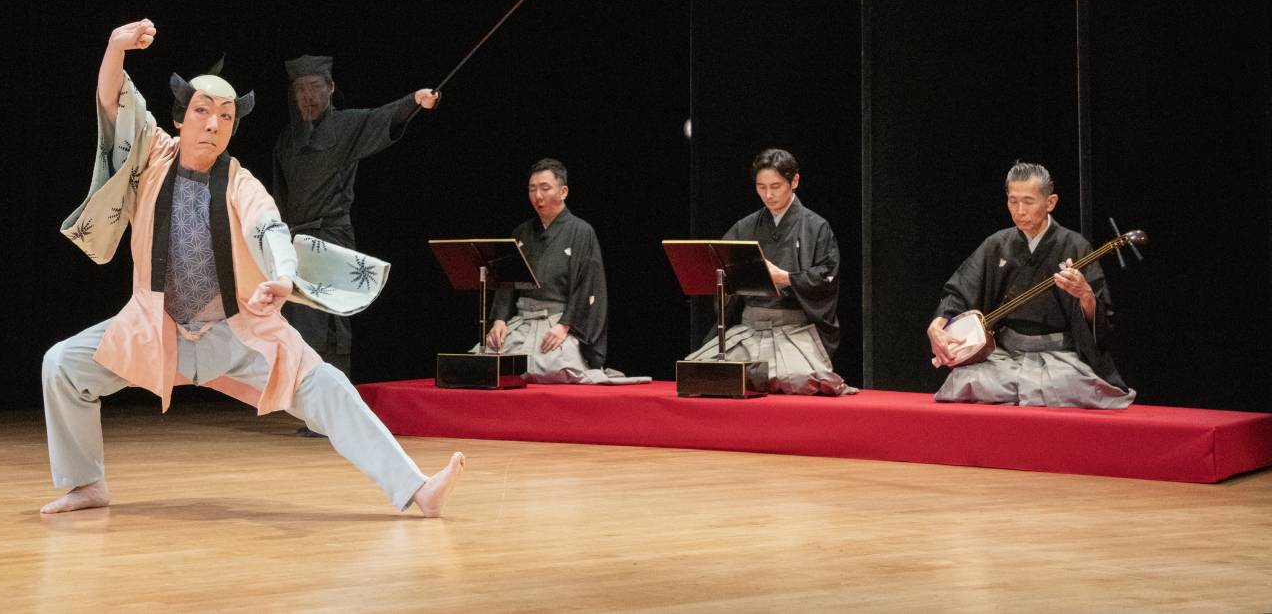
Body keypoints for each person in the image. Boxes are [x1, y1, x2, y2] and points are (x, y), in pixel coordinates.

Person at [42, 19, 463, 516]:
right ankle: (85, 483)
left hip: (236, 335)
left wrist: (283, 275)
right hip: (158, 330)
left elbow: (270, 230)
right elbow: (113, 100)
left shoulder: (241, 181)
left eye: (225, 116)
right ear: (181, 118)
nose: (214, 124)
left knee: (327, 386)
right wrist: (116, 45)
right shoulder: (152, 154)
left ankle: (416, 489)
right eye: (202, 112)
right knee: (63, 366)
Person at [272, 54, 439, 375]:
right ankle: (311, 404)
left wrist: (415, 101)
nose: (307, 95)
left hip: (332, 236)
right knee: (301, 320)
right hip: (297, 241)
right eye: (301, 89)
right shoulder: (287, 140)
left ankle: (337, 402)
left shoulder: (346, 125)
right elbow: (280, 196)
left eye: (315, 87)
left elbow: (383, 117)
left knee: (333, 319)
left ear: (331, 88)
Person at [926, 161, 1135, 408]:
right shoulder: (997, 244)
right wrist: (937, 325)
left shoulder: (1075, 246)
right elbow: (961, 289)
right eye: (1013, 201)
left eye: (1028, 201)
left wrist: (1085, 295)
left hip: (1058, 358)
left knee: (1069, 384)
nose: (1019, 210)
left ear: (1050, 202)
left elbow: (1101, 318)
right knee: (966, 380)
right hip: (1005, 356)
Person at [684, 148, 854, 396]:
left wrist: (784, 277)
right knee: (700, 372)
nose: (768, 194)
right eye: (761, 187)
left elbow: (826, 276)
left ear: (794, 181)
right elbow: (719, 268)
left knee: (798, 379)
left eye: (776, 186)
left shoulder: (816, 227)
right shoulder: (745, 227)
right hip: (748, 330)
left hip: (793, 331)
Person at [476, 159, 648, 384]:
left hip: (558, 323)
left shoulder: (581, 232)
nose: (538, 196)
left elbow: (589, 286)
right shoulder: (521, 233)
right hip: (522, 322)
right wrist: (499, 320)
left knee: (553, 368)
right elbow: (507, 282)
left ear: (563, 191)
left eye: (545, 188)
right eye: (532, 189)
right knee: (488, 363)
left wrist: (565, 325)